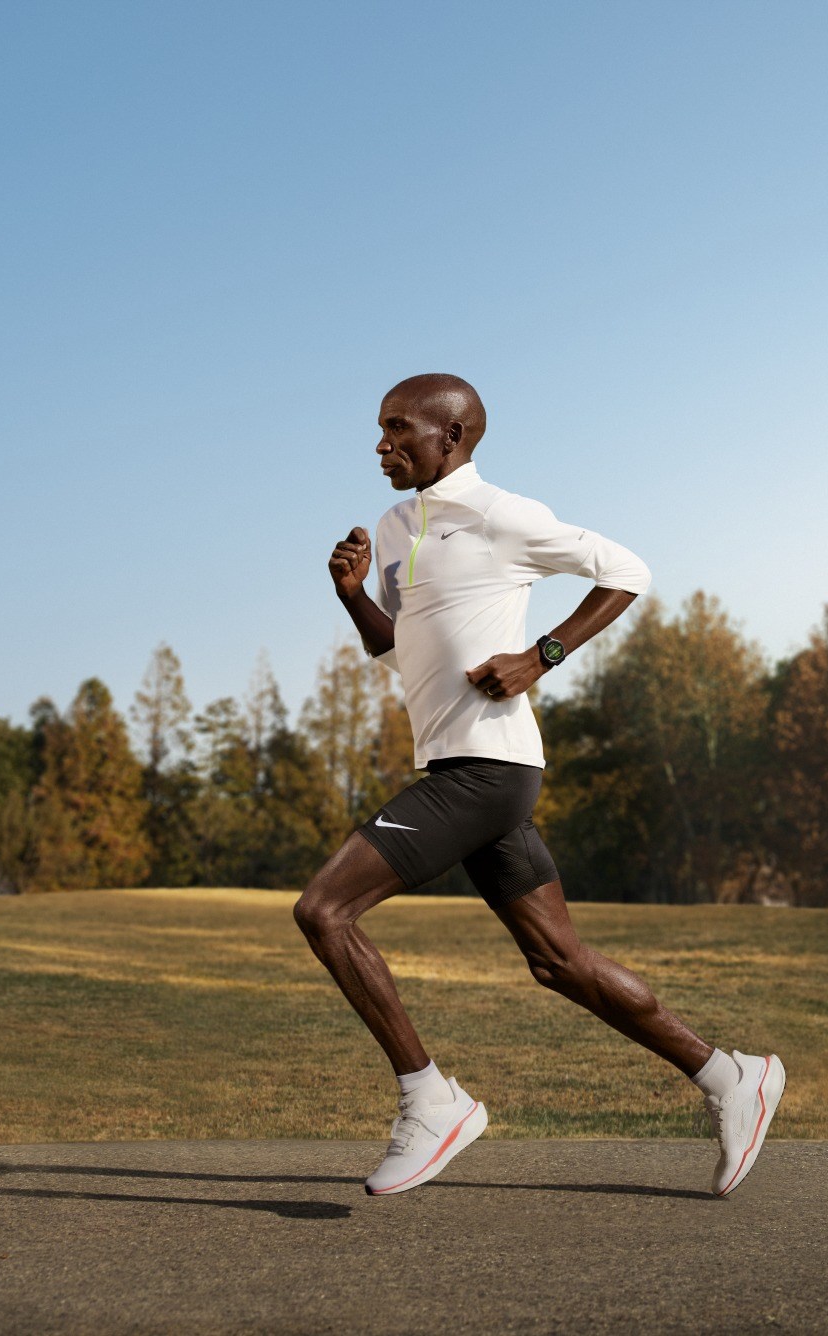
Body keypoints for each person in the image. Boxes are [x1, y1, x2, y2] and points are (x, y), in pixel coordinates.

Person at [296, 372, 784, 1198]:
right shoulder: (390, 527)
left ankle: (432, 1100)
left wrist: (541, 657)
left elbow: (627, 569)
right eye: (379, 431)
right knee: (558, 961)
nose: (381, 446)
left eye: (397, 429)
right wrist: (352, 599)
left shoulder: (500, 516)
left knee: (324, 910)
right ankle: (730, 1077)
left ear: (450, 437)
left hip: (490, 768)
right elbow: (399, 644)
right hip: (456, 765)